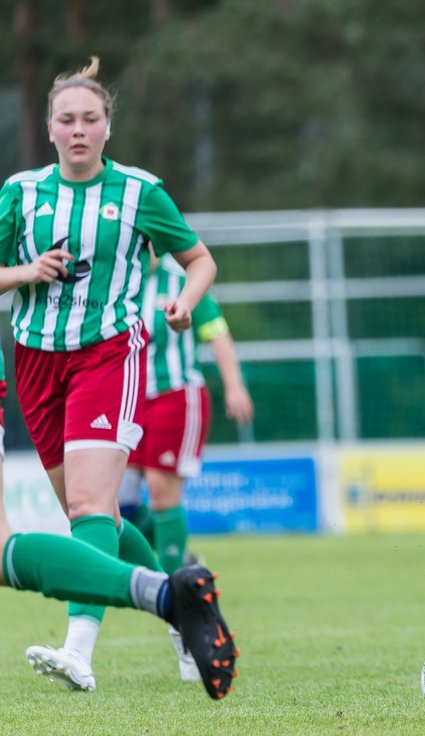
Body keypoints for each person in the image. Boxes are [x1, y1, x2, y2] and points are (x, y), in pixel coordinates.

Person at [0, 56, 218, 691]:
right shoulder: (21, 193)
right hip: (36, 361)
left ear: (107, 127)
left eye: (90, 118)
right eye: (66, 119)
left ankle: (79, 650)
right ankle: (182, 611)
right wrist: (24, 272)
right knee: (97, 521)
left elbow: (200, 259)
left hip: (109, 353)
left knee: (93, 504)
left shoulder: (139, 192)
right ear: (48, 128)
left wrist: (184, 301)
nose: (78, 130)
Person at [86, 251, 253, 682]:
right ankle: (175, 573)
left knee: (163, 496)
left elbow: (215, 331)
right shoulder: (117, 276)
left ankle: (179, 586)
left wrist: (234, 386)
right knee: (114, 506)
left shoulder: (183, 278)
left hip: (176, 397)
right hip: (126, 400)